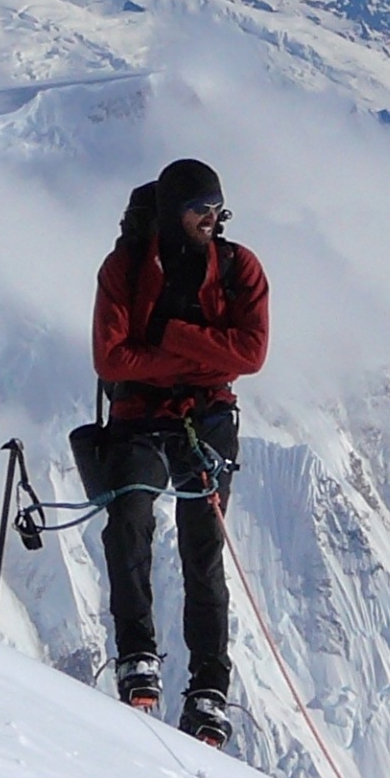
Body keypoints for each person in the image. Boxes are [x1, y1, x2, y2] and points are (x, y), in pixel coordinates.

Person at [92, 158, 269, 745]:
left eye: (217, 210)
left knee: (202, 543)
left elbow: (251, 353)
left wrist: (166, 341)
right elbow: (110, 359)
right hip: (160, 413)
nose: (212, 221)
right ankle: (138, 655)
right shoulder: (125, 267)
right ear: (172, 213)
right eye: (201, 209)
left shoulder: (240, 268)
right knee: (130, 521)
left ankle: (207, 686)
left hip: (190, 413)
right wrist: (201, 358)